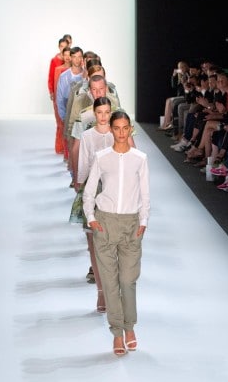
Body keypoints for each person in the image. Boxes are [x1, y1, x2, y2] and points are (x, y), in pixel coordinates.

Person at [82, 110, 150, 356]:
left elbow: (145, 193)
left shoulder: (140, 158)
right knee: (110, 282)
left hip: (131, 224)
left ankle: (129, 326)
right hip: (105, 222)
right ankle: (118, 333)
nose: (121, 132)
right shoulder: (102, 157)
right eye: (117, 128)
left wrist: (143, 222)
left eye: (125, 128)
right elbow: (89, 191)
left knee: (127, 280)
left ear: (130, 129)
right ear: (111, 130)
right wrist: (91, 218)